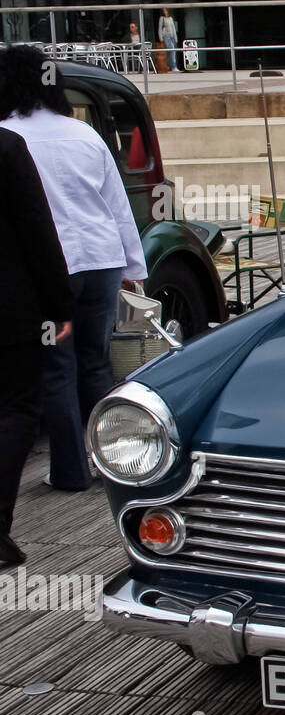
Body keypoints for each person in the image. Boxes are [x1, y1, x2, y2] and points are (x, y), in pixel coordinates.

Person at [0, 45, 147, 492]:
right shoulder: (84, 134)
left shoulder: (6, 135)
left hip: (50, 267)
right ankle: (115, 462)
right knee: (96, 363)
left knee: (55, 370)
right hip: (102, 260)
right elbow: (118, 206)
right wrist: (133, 265)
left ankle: (69, 470)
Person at [0, 128, 72, 567]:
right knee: (15, 409)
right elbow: (36, 229)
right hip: (9, 308)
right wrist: (58, 304)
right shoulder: (7, 147)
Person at [158, 7, 178, 73]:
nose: (165, 11)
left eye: (166, 10)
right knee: (172, 50)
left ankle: (170, 66)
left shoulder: (170, 18)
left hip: (172, 36)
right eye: (164, 10)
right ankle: (173, 67)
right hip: (166, 36)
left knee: (172, 52)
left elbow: (173, 28)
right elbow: (160, 29)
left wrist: (175, 38)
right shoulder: (162, 18)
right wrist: (161, 39)